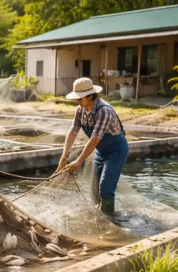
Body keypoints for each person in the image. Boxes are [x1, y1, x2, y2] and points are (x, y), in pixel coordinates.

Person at [55, 77, 129, 215]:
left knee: (105, 188)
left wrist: (79, 161)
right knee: (94, 190)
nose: (77, 101)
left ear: (90, 96)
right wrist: (64, 156)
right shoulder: (80, 110)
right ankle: (98, 217)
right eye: (76, 98)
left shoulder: (103, 111)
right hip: (100, 152)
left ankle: (110, 221)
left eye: (80, 98)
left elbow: (94, 140)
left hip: (116, 151)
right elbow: (72, 132)